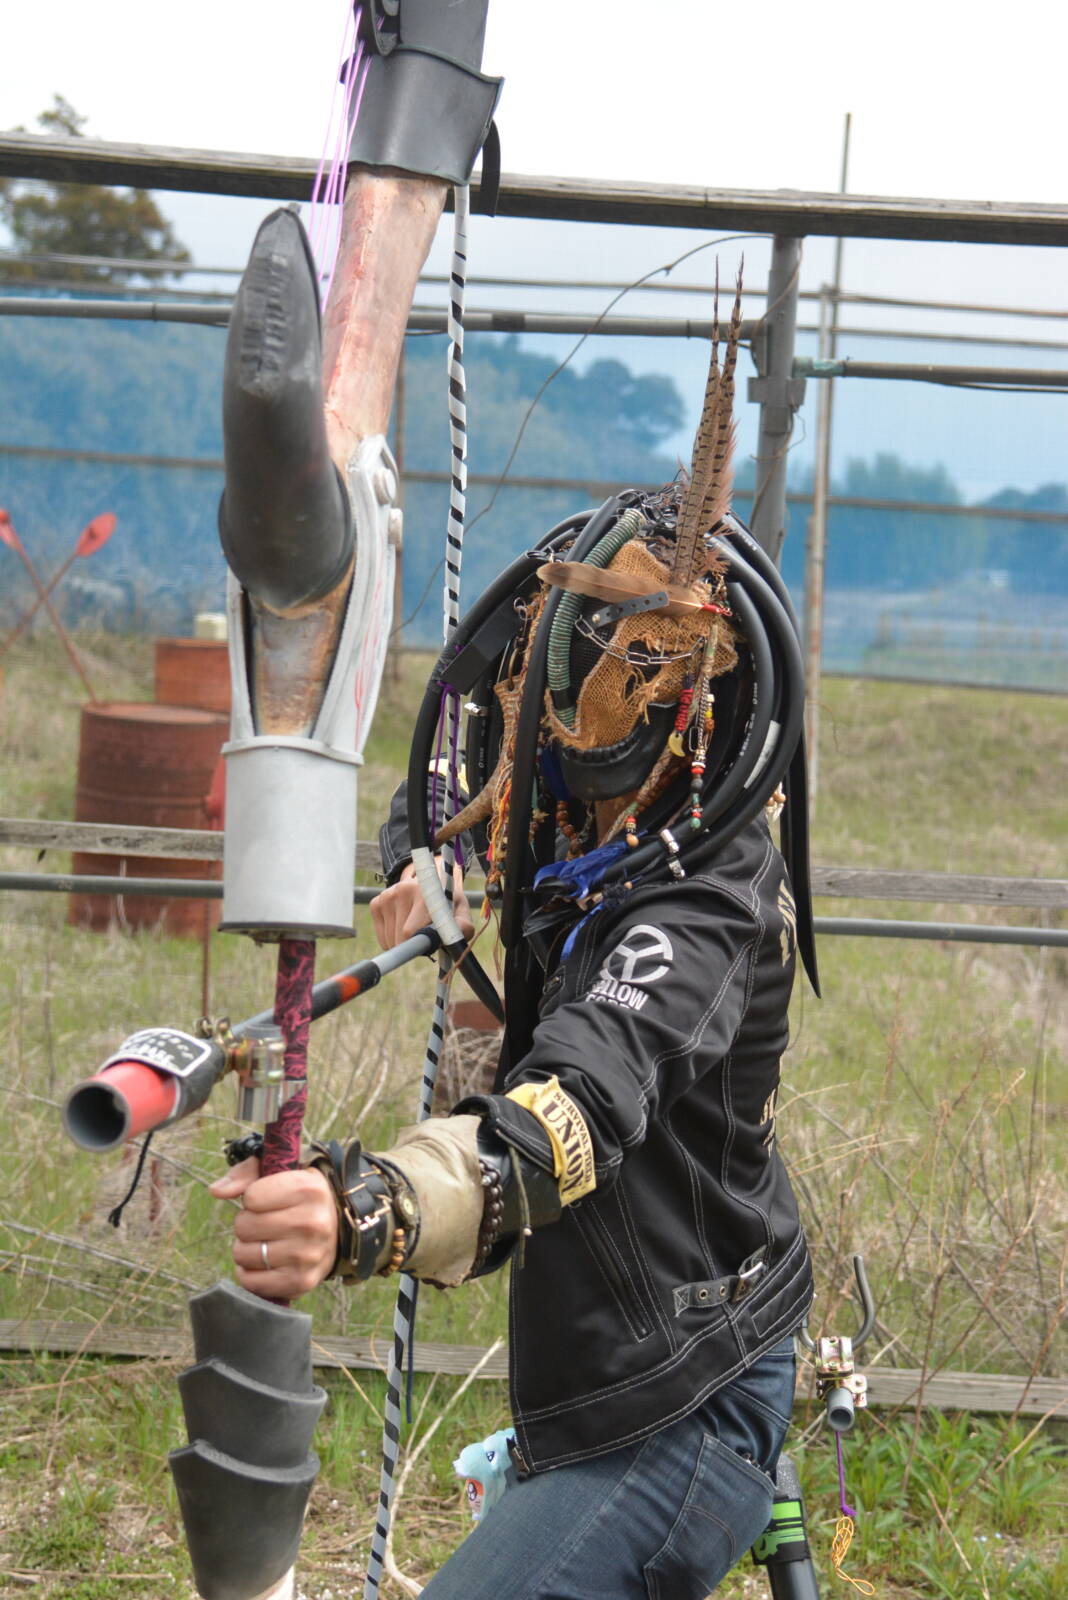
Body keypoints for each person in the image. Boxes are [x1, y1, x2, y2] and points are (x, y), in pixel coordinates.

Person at [210, 294, 818, 1598]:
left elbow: (570, 1116)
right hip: (598, 1379)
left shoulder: (702, 901)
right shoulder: (586, 862)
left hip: (683, 1399)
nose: (542, 753)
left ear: (687, 715)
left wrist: (366, 1211)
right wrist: (452, 931)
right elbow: (510, 1104)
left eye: (610, 696)